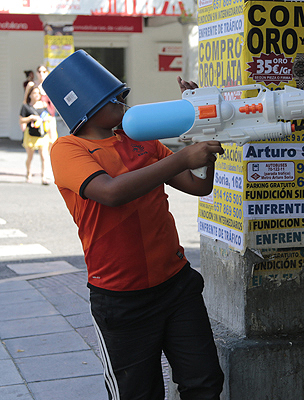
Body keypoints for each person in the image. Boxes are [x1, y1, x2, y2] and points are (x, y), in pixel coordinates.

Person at [47, 51, 224, 400]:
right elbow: (111, 193)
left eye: (122, 94)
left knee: (204, 381)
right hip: (121, 298)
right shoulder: (68, 149)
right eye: (113, 98)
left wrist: (206, 129)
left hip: (176, 284)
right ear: (86, 109)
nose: (124, 102)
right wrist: (182, 157)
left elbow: (199, 185)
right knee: (137, 393)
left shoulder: (142, 139)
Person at [19, 85, 57, 184]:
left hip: (42, 134)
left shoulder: (44, 105)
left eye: (38, 93)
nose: (36, 95)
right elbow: (21, 120)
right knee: (30, 157)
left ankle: (44, 177)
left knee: (44, 156)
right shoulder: (26, 106)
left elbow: (49, 116)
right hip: (31, 135)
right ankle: (28, 174)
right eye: (34, 93)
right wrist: (31, 117)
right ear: (30, 95)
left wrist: (45, 119)